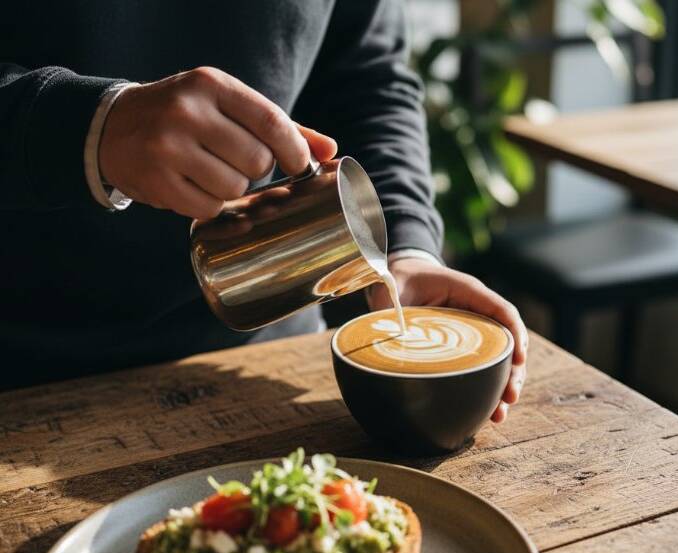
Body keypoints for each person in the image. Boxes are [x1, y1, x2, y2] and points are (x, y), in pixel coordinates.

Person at [0, 1, 526, 421]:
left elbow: (368, 76)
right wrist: (88, 126)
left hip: (266, 362)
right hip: (26, 375)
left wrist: (406, 249)